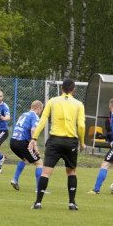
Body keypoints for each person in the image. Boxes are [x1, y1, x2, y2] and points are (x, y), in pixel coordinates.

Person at [28, 78, 85, 210]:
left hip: (54, 140)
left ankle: (38, 203)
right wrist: (81, 142)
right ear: (73, 90)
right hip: (70, 141)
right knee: (71, 172)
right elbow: (81, 126)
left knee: (46, 172)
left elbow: (42, 120)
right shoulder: (78, 104)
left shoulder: (52, 101)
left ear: (61, 89)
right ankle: (72, 203)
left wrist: (34, 138)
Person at [9, 100, 44, 191]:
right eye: (41, 110)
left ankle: (15, 179)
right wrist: (35, 145)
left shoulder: (24, 114)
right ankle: (39, 189)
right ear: (38, 109)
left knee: (25, 159)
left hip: (13, 141)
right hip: (21, 143)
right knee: (39, 162)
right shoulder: (34, 116)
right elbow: (33, 130)